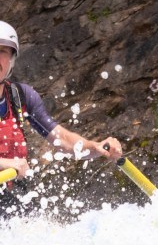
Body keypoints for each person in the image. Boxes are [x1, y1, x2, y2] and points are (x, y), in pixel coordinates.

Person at [0, 21, 122, 201]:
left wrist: (94, 147)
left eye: (2, 51)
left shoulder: (21, 96)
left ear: (11, 60)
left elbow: (62, 139)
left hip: (11, 200)